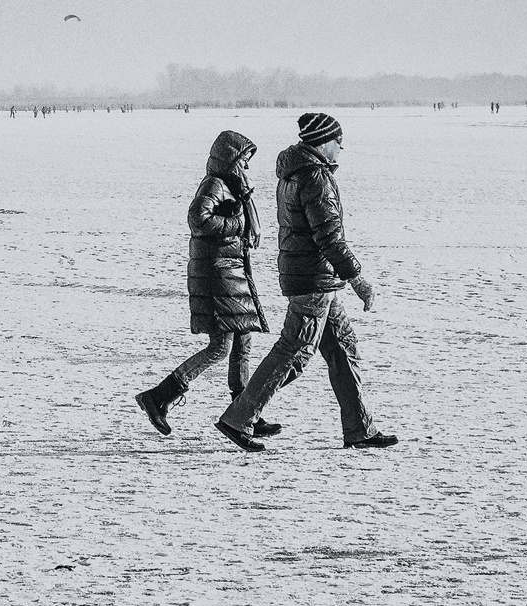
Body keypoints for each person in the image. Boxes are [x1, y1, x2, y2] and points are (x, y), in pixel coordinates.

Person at [216, 113, 397, 452]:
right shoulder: (314, 177)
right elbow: (328, 236)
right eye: (337, 140)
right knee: (293, 352)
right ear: (322, 142)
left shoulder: (296, 172)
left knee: (343, 349)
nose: (341, 146)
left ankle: (359, 429)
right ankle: (239, 417)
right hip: (314, 279)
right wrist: (357, 278)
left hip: (314, 277)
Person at [137, 131, 280, 438]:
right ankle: (160, 396)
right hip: (216, 275)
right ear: (229, 159)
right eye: (243, 159)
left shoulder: (236, 188)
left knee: (243, 342)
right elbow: (197, 219)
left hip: (231, 272)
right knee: (220, 346)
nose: (247, 166)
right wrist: (237, 225)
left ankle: (245, 414)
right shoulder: (215, 185)